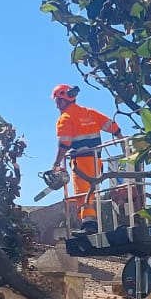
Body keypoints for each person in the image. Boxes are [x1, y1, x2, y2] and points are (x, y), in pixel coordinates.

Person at [50, 84, 122, 235]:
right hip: (97, 161)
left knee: (83, 195)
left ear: (63, 100)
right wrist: (121, 139)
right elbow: (112, 125)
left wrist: (56, 163)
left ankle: (89, 226)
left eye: (57, 101)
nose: (56, 105)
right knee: (92, 192)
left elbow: (64, 144)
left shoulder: (65, 118)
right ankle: (90, 224)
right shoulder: (90, 113)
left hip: (80, 162)